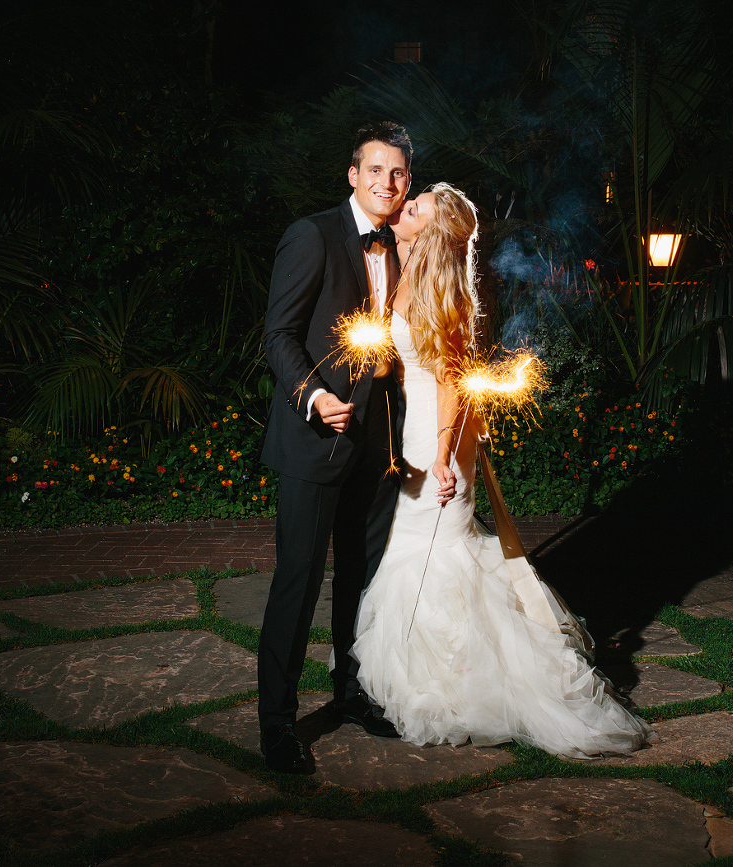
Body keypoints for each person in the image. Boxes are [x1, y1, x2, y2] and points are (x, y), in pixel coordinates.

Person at [351, 184, 655, 758]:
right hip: (417, 430)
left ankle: (465, 685)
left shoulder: (444, 294)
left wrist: (441, 458)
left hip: (436, 438)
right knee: (423, 548)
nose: (402, 208)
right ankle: (437, 675)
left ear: (431, 232)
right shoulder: (409, 272)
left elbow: (450, 383)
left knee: (436, 551)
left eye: (413, 208)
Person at [258, 122, 434, 774]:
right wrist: (311, 395)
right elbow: (277, 333)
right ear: (352, 174)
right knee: (298, 583)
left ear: (406, 181)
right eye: (376, 170)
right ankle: (276, 725)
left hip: (375, 443)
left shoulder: (400, 245)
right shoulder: (313, 234)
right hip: (314, 439)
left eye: (399, 174)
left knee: (360, 580)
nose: (387, 183)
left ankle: (352, 691)